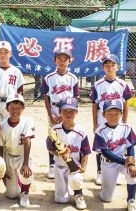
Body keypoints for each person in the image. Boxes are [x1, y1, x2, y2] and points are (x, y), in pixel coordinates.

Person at [89, 54, 133, 185]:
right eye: (107, 65)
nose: (110, 67)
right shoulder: (98, 84)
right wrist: (95, 123)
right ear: (103, 67)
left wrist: (124, 121)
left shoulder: (122, 84)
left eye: (113, 64)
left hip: (117, 120)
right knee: (101, 147)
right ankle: (99, 172)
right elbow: (94, 105)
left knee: (117, 145)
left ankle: (118, 171)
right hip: (102, 120)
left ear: (118, 67)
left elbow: (125, 104)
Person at [92, 99, 136, 211]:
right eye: (109, 114)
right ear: (103, 115)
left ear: (121, 114)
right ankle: (105, 188)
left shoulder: (126, 128)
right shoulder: (100, 131)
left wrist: (131, 164)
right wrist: (125, 162)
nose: (113, 117)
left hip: (123, 161)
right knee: (106, 199)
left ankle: (131, 200)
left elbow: (130, 146)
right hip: (108, 164)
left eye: (116, 114)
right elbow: (105, 152)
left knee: (134, 174)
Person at [40, 49, 79, 179]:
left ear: (70, 61)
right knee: (53, 137)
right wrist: (50, 113)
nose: (62, 62)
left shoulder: (73, 78)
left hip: (68, 111)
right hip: (54, 110)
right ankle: (52, 165)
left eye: (65, 59)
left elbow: (75, 98)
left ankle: (68, 162)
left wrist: (69, 114)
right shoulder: (49, 78)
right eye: (59, 59)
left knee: (67, 136)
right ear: (54, 60)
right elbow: (46, 97)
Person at [46, 97, 90, 210]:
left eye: (72, 111)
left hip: (74, 166)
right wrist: (60, 153)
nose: (68, 114)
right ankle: (61, 191)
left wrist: (83, 167)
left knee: (76, 179)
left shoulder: (81, 131)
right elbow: (50, 149)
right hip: (60, 166)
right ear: (60, 112)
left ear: (76, 112)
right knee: (61, 200)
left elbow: (85, 152)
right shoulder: (54, 130)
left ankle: (78, 194)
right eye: (65, 111)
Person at [0, 93, 35, 207]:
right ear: (7, 108)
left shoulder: (28, 121)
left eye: (18, 107)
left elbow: (27, 141)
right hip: (8, 156)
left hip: (23, 155)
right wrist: (2, 168)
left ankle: (25, 193)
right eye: (12, 107)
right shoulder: (1, 125)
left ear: (23, 108)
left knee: (26, 174)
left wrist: (26, 164)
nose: (15, 110)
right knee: (11, 195)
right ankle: (16, 183)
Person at [0, 40, 25, 122]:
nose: (3, 55)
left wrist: (18, 109)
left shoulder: (16, 72)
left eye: (6, 52)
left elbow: (20, 93)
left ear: (10, 54)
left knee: (10, 128)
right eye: (0, 52)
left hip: (11, 104)